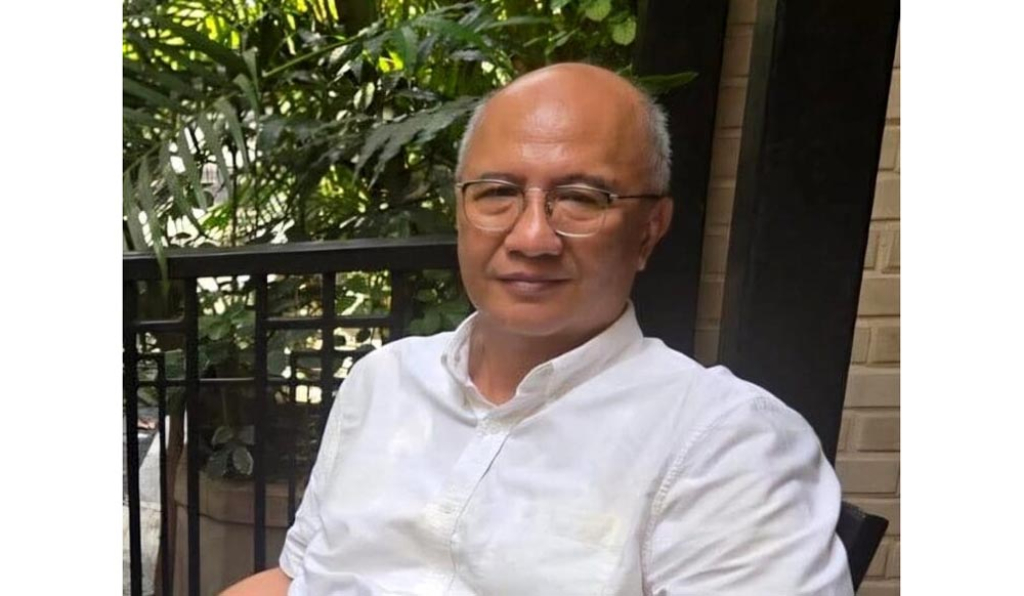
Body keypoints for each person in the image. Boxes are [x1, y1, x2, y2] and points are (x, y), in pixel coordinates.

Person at [222, 63, 854, 596]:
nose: (531, 238)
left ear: (650, 230)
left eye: (581, 198)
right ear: (461, 210)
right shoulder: (384, 380)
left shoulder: (725, 443)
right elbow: (298, 576)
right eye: (497, 192)